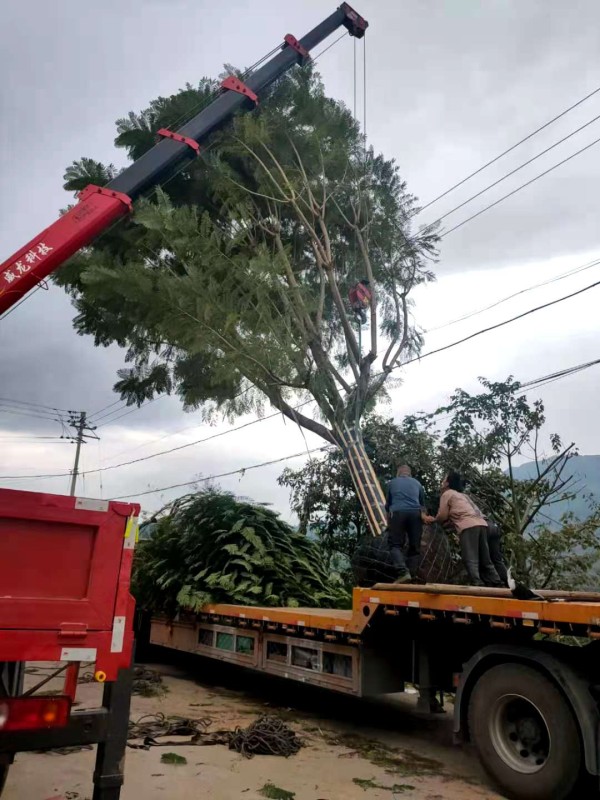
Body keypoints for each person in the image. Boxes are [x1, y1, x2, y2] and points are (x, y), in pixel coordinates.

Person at [425, 472, 502, 587]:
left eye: (444, 480)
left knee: (470, 558)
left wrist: (433, 520)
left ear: (447, 483)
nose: (442, 482)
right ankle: (497, 582)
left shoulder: (447, 494)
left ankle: (477, 583)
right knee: (485, 559)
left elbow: (442, 515)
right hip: (481, 524)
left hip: (468, 526)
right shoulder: (462, 495)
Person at [385, 464, 426, 583]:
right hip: (415, 514)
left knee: (395, 545)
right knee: (415, 546)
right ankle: (412, 576)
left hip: (397, 513)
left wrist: (389, 521)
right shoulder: (417, 483)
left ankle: (403, 572)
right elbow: (422, 505)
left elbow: (388, 505)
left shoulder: (392, 483)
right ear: (409, 474)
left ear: (398, 473)